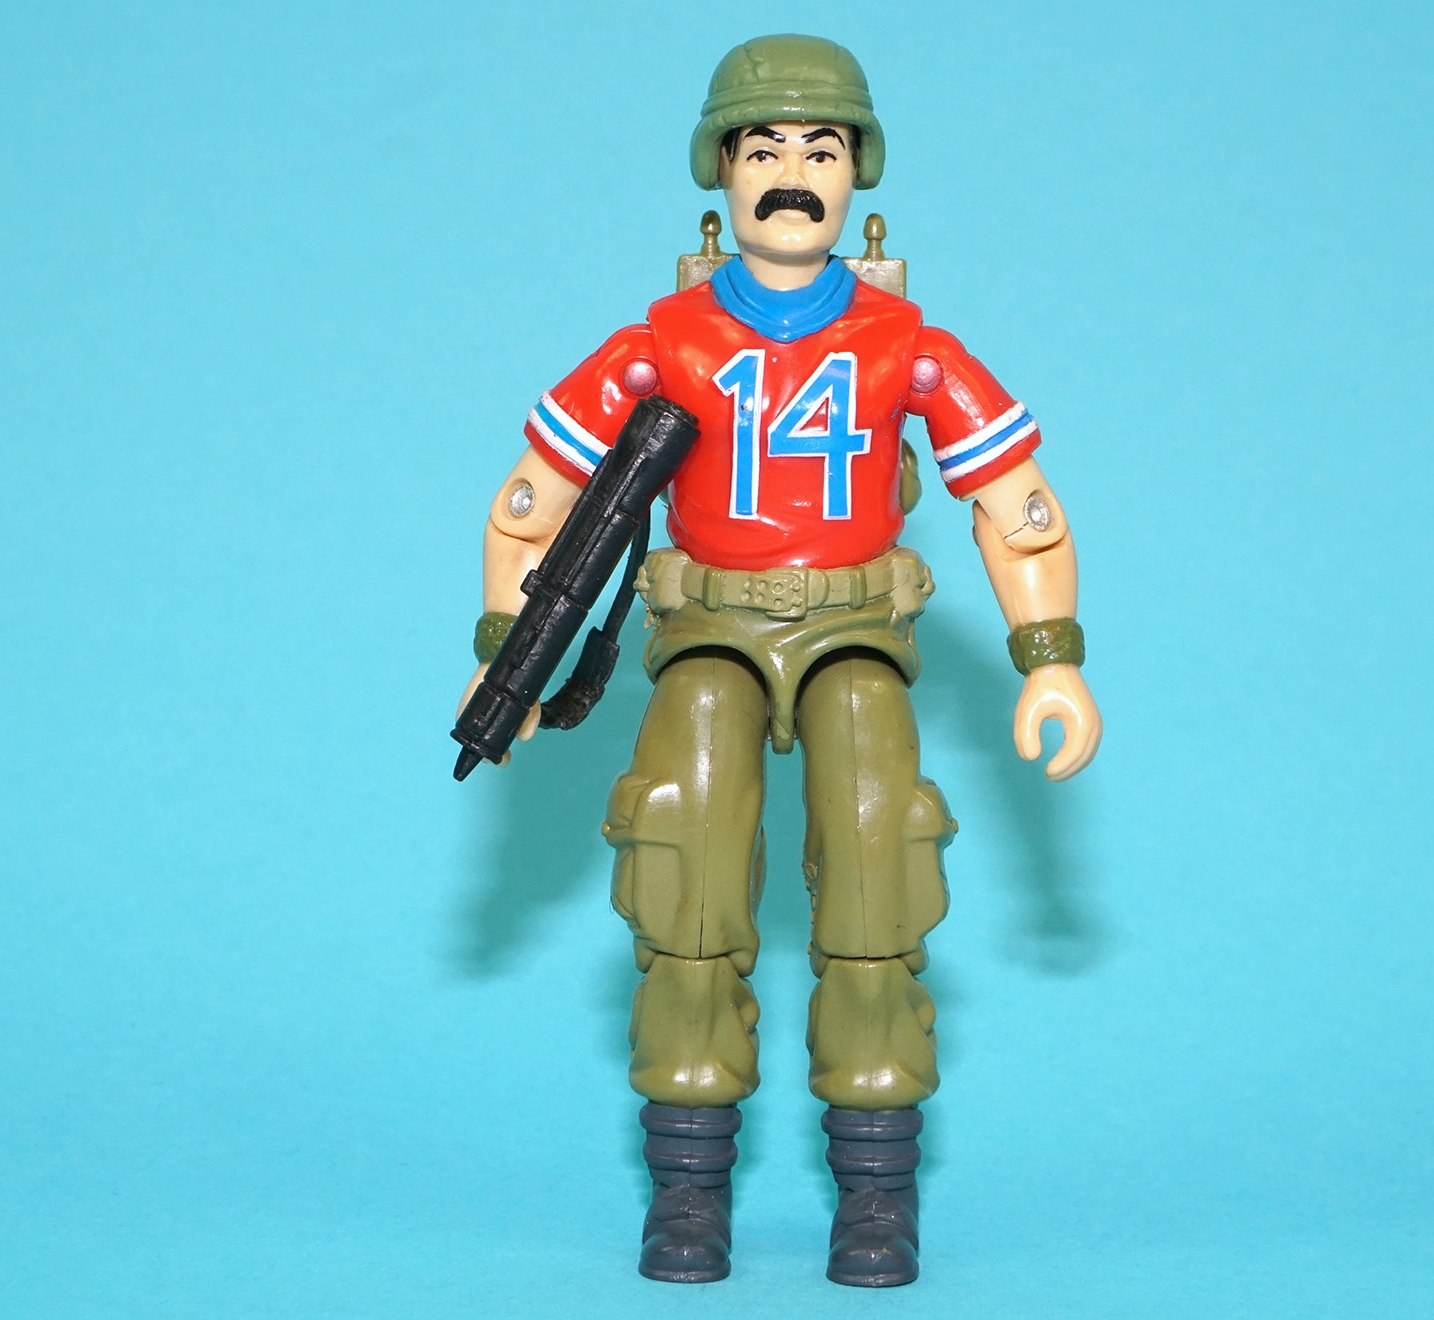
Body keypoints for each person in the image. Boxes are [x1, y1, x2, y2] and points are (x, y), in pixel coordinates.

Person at [458, 33, 1101, 1287]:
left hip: (859, 631)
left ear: (859, 174)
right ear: (721, 170)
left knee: (880, 863)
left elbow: (1014, 504)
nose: (792, 173)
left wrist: (1050, 658)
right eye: (764, 149)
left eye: (820, 149)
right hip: (708, 630)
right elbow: (534, 500)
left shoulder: (906, 344)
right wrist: (506, 655)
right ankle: (688, 1185)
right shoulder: (661, 344)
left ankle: (877, 1188)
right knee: (682, 859)